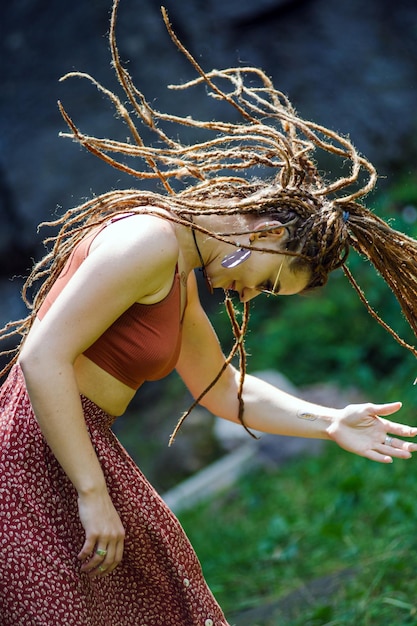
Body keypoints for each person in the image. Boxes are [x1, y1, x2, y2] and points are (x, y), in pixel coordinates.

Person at [1, 1, 417, 624]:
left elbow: (222, 388)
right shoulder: (148, 242)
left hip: (81, 453)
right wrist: (91, 492)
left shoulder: (179, 266)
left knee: (174, 601)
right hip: (33, 460)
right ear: (268, 233)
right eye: (268, 281)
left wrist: (329, 421)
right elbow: (40, 357)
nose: (248, 296)